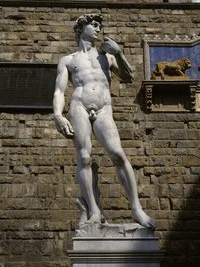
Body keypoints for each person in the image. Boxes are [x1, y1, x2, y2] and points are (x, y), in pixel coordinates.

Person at [53, 13, 156, 229]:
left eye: (99, 26)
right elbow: (59, 91)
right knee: (84, 156)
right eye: (95, 25)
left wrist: (119, 54)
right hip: (79, 106)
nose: (99, 30)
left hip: (103, 108)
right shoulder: (68, 60)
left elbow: (129, 77)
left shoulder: (107, 57)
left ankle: (136, 208)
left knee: (118, 154)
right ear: (81, 28)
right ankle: (93, 210)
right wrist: (58, 115)